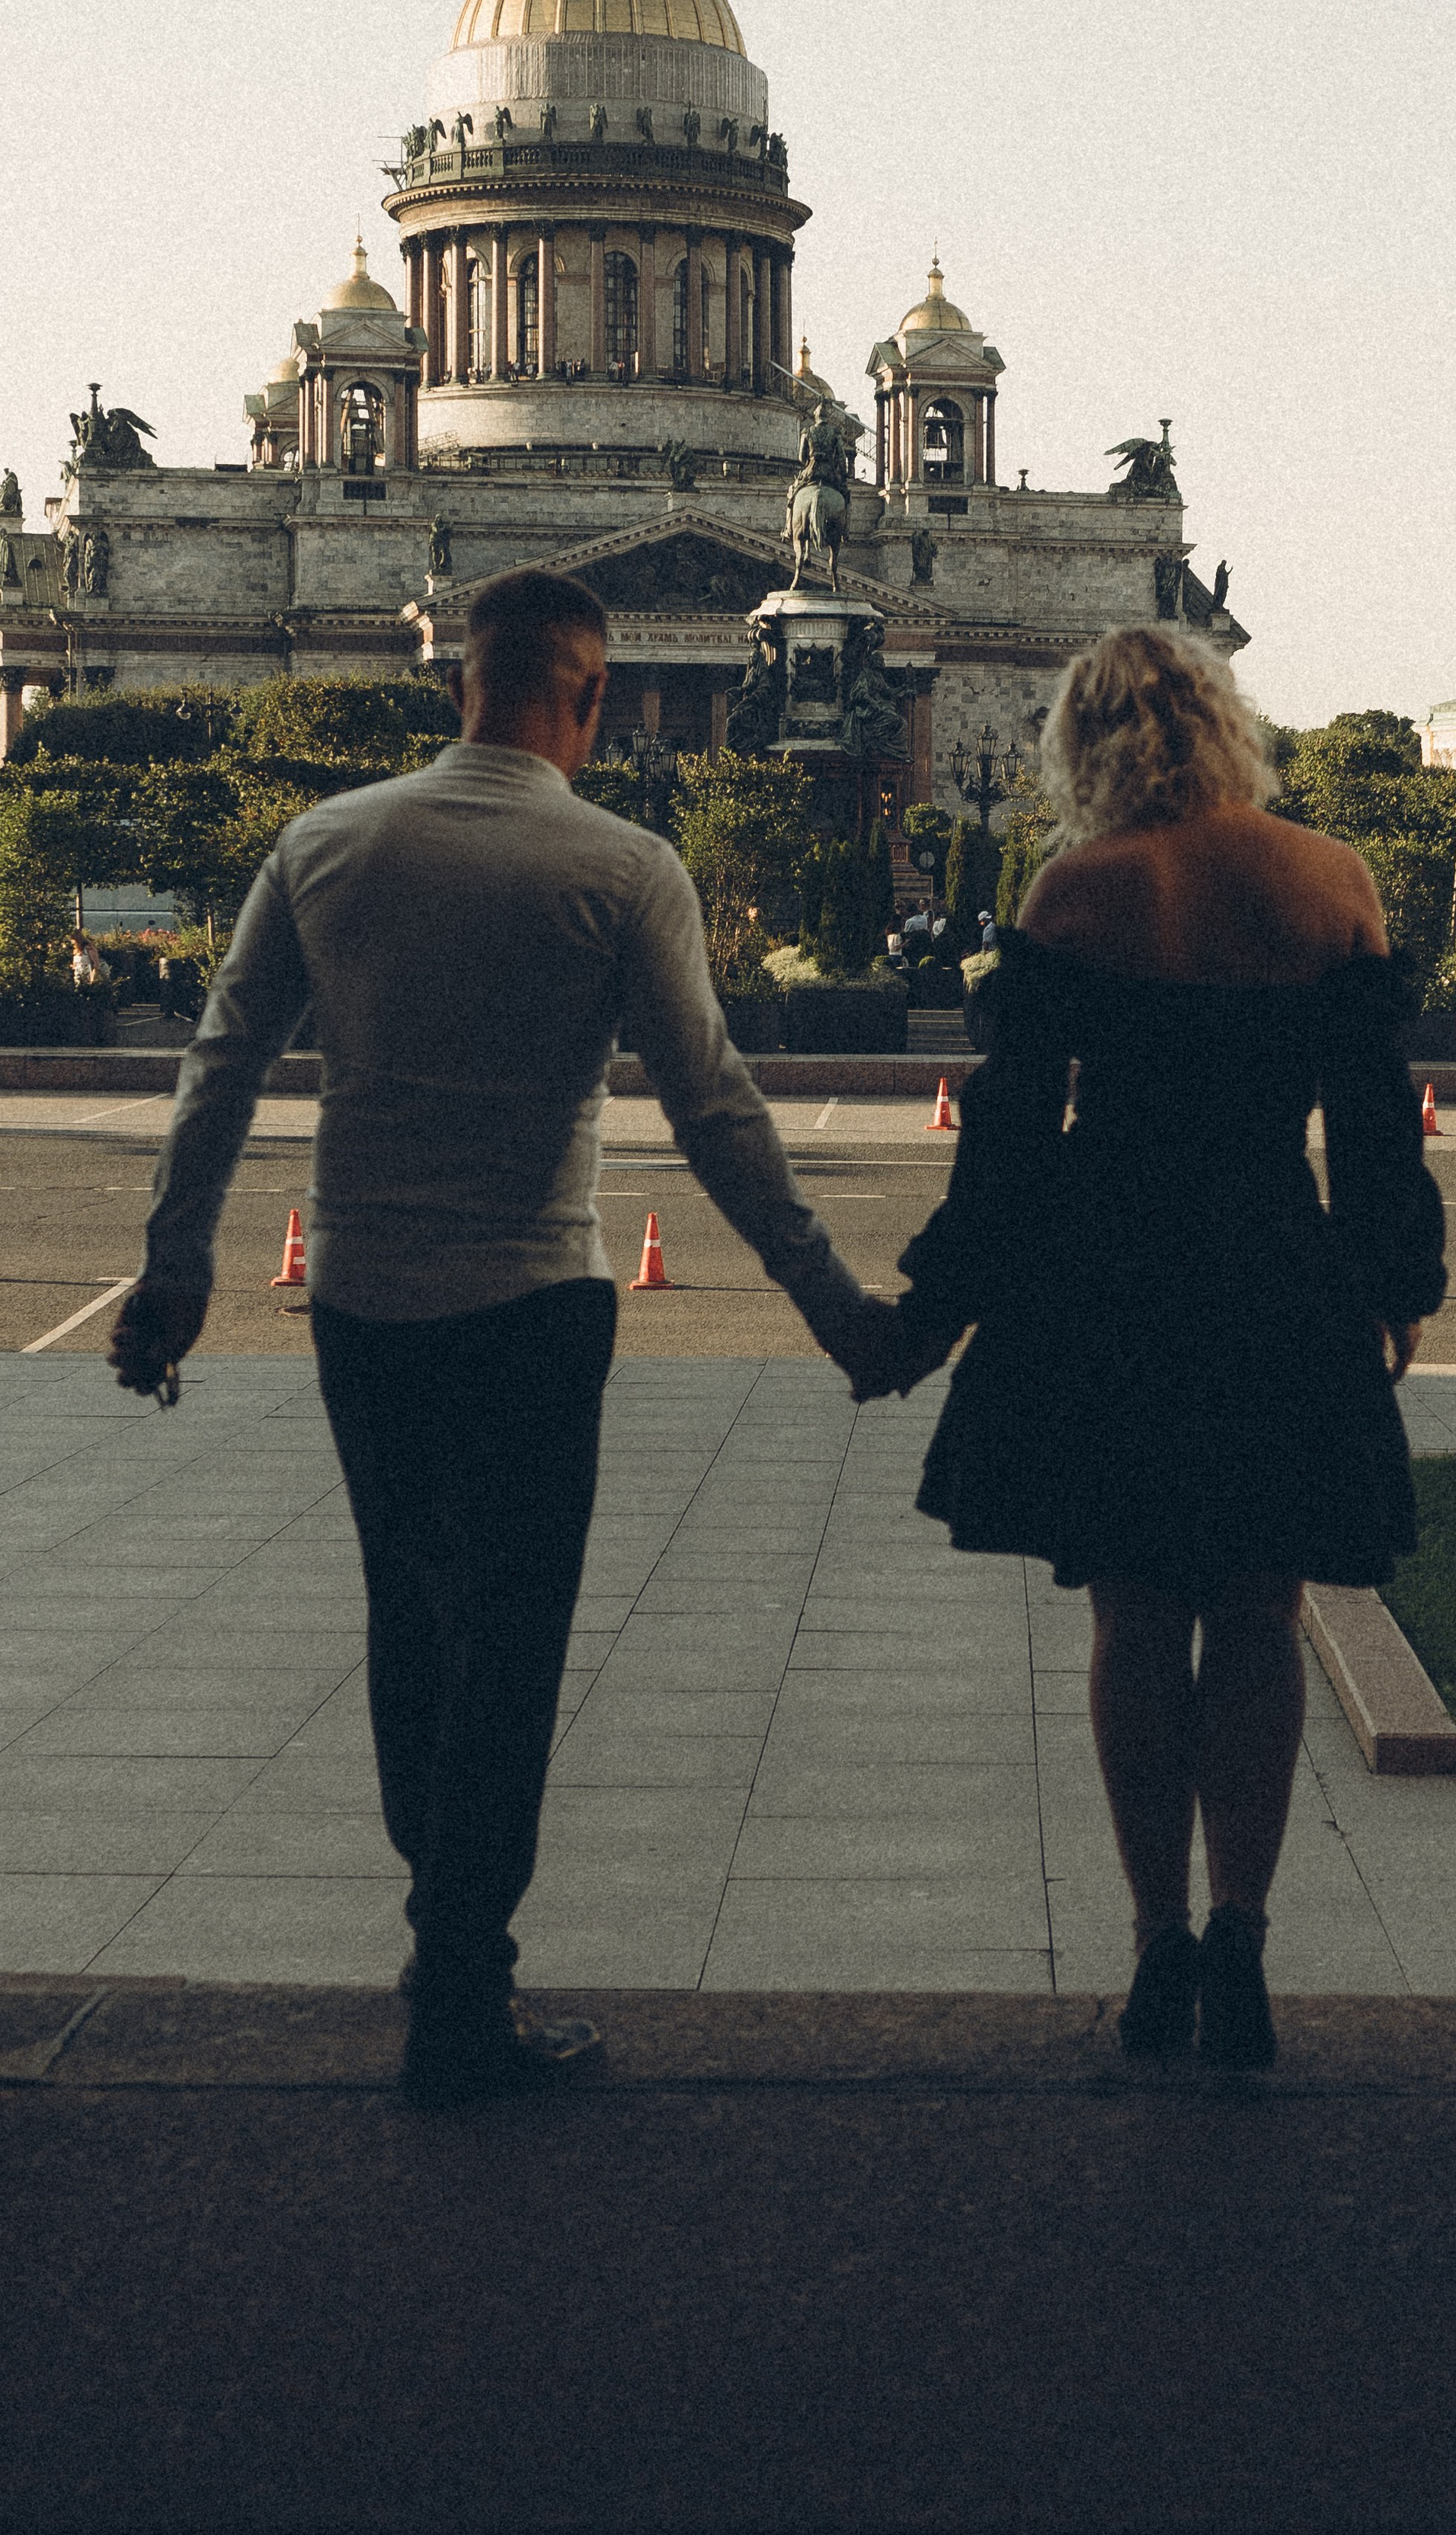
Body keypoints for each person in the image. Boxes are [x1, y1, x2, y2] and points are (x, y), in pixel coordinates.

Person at [110, 568, 898, 2111]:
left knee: (410, 1623)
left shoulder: (324, 842)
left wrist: (170, 1274)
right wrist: (833, 1312)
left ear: (455, 682)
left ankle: (443, 1938)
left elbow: (220, 1067)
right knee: (513, 1650)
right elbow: (715, 1110)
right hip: (537, 1304)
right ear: (590, 697)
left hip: (361, 1300)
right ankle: (463, 1979)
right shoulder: (619, 864)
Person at [867, 626, 1445, 2071]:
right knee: (1260, 1609)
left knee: (1131, 1621)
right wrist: (1396, 1282)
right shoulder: (1330, 882)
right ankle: (1245, 1935)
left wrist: (939, 1303)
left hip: (1108, 1281)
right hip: (1274, 1270)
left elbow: (1006, 1141)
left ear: (1084, 742)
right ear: (1223, 720)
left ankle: (1155, 1945)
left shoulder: (1076, 893)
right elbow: (1376, 1120)